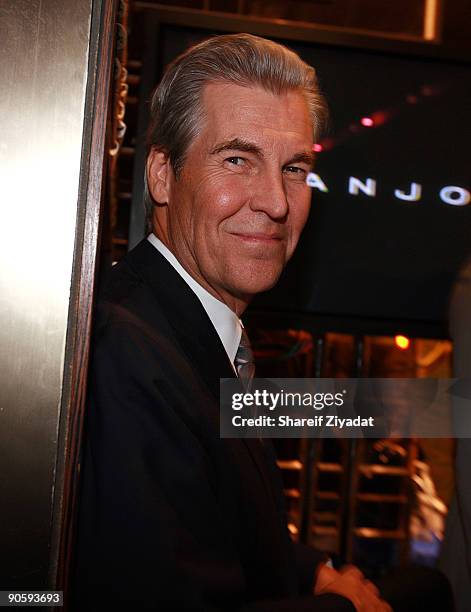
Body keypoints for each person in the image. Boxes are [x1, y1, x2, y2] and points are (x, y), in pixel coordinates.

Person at [72, 34, 449, 611]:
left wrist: (311, 569)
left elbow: (212, 519)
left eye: (294, 168)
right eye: (237, 160)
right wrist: (344, 608)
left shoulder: (188, 325)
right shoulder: (125, 353)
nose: (275, 201)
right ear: (162, 176)